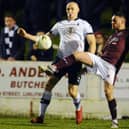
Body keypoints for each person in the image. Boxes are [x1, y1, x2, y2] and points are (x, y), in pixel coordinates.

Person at [42, 12, 129, 128]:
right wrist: (88, 67)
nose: (112, 23)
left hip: (111, 67)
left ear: (122, 22)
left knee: (108, 93)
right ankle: (55, 67)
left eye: (114, 21)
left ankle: (114, 122)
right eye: (112, 20)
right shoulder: (112, 36)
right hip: (101, 61)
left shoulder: (126, 34)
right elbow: (104, 53)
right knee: (77, 55)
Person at [17, 1, 96, 124]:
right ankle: (41, 117)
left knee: (72, 92)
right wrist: (26, 35)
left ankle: (78, 109)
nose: (69, 11)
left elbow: (92, 43)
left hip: (75, 61)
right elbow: (44, 39)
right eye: (68, 9)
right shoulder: (60, 24)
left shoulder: (84, 24)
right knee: (49, 85)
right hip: (60, 59)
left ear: (78, 9)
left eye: (72, 9)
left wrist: (89, 61)